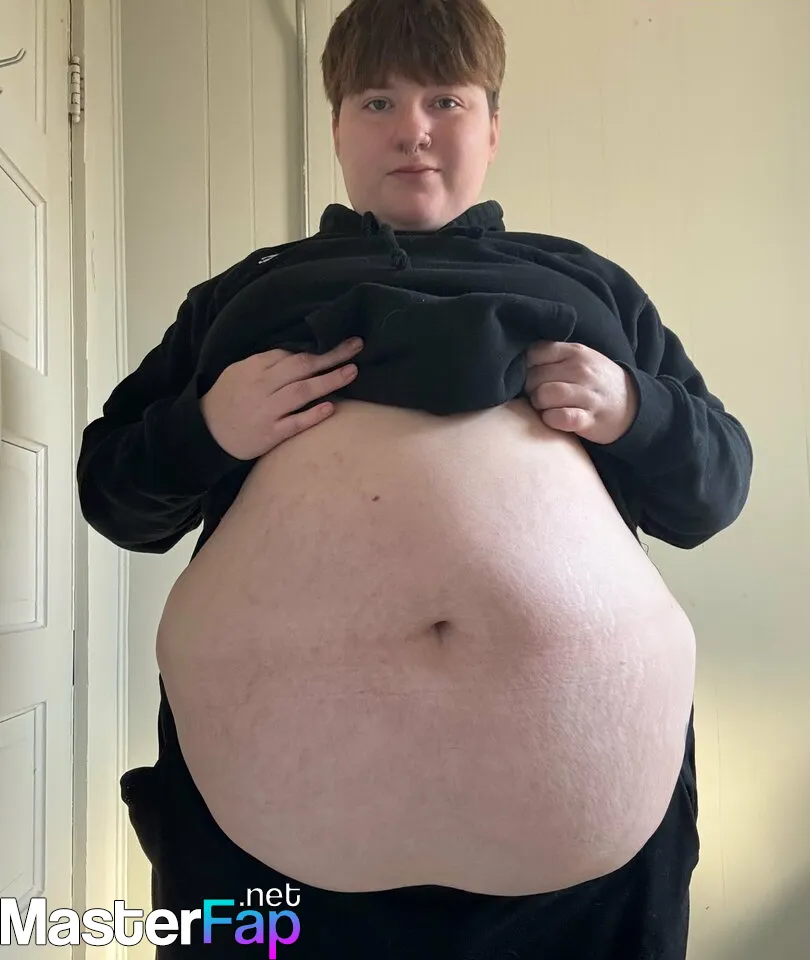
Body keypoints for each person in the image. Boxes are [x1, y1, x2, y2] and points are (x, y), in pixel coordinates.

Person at [77, 0, 753, 957]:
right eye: (377, 102)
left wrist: (637, 410)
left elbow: (714, 494)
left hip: (581, 873)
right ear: (337, 128)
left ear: (493, 125)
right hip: (264, 847)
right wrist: (207, 427)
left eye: (446, 99)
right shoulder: (245, 294)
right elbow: (115, 498)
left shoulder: (588, 286)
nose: (413, 130)